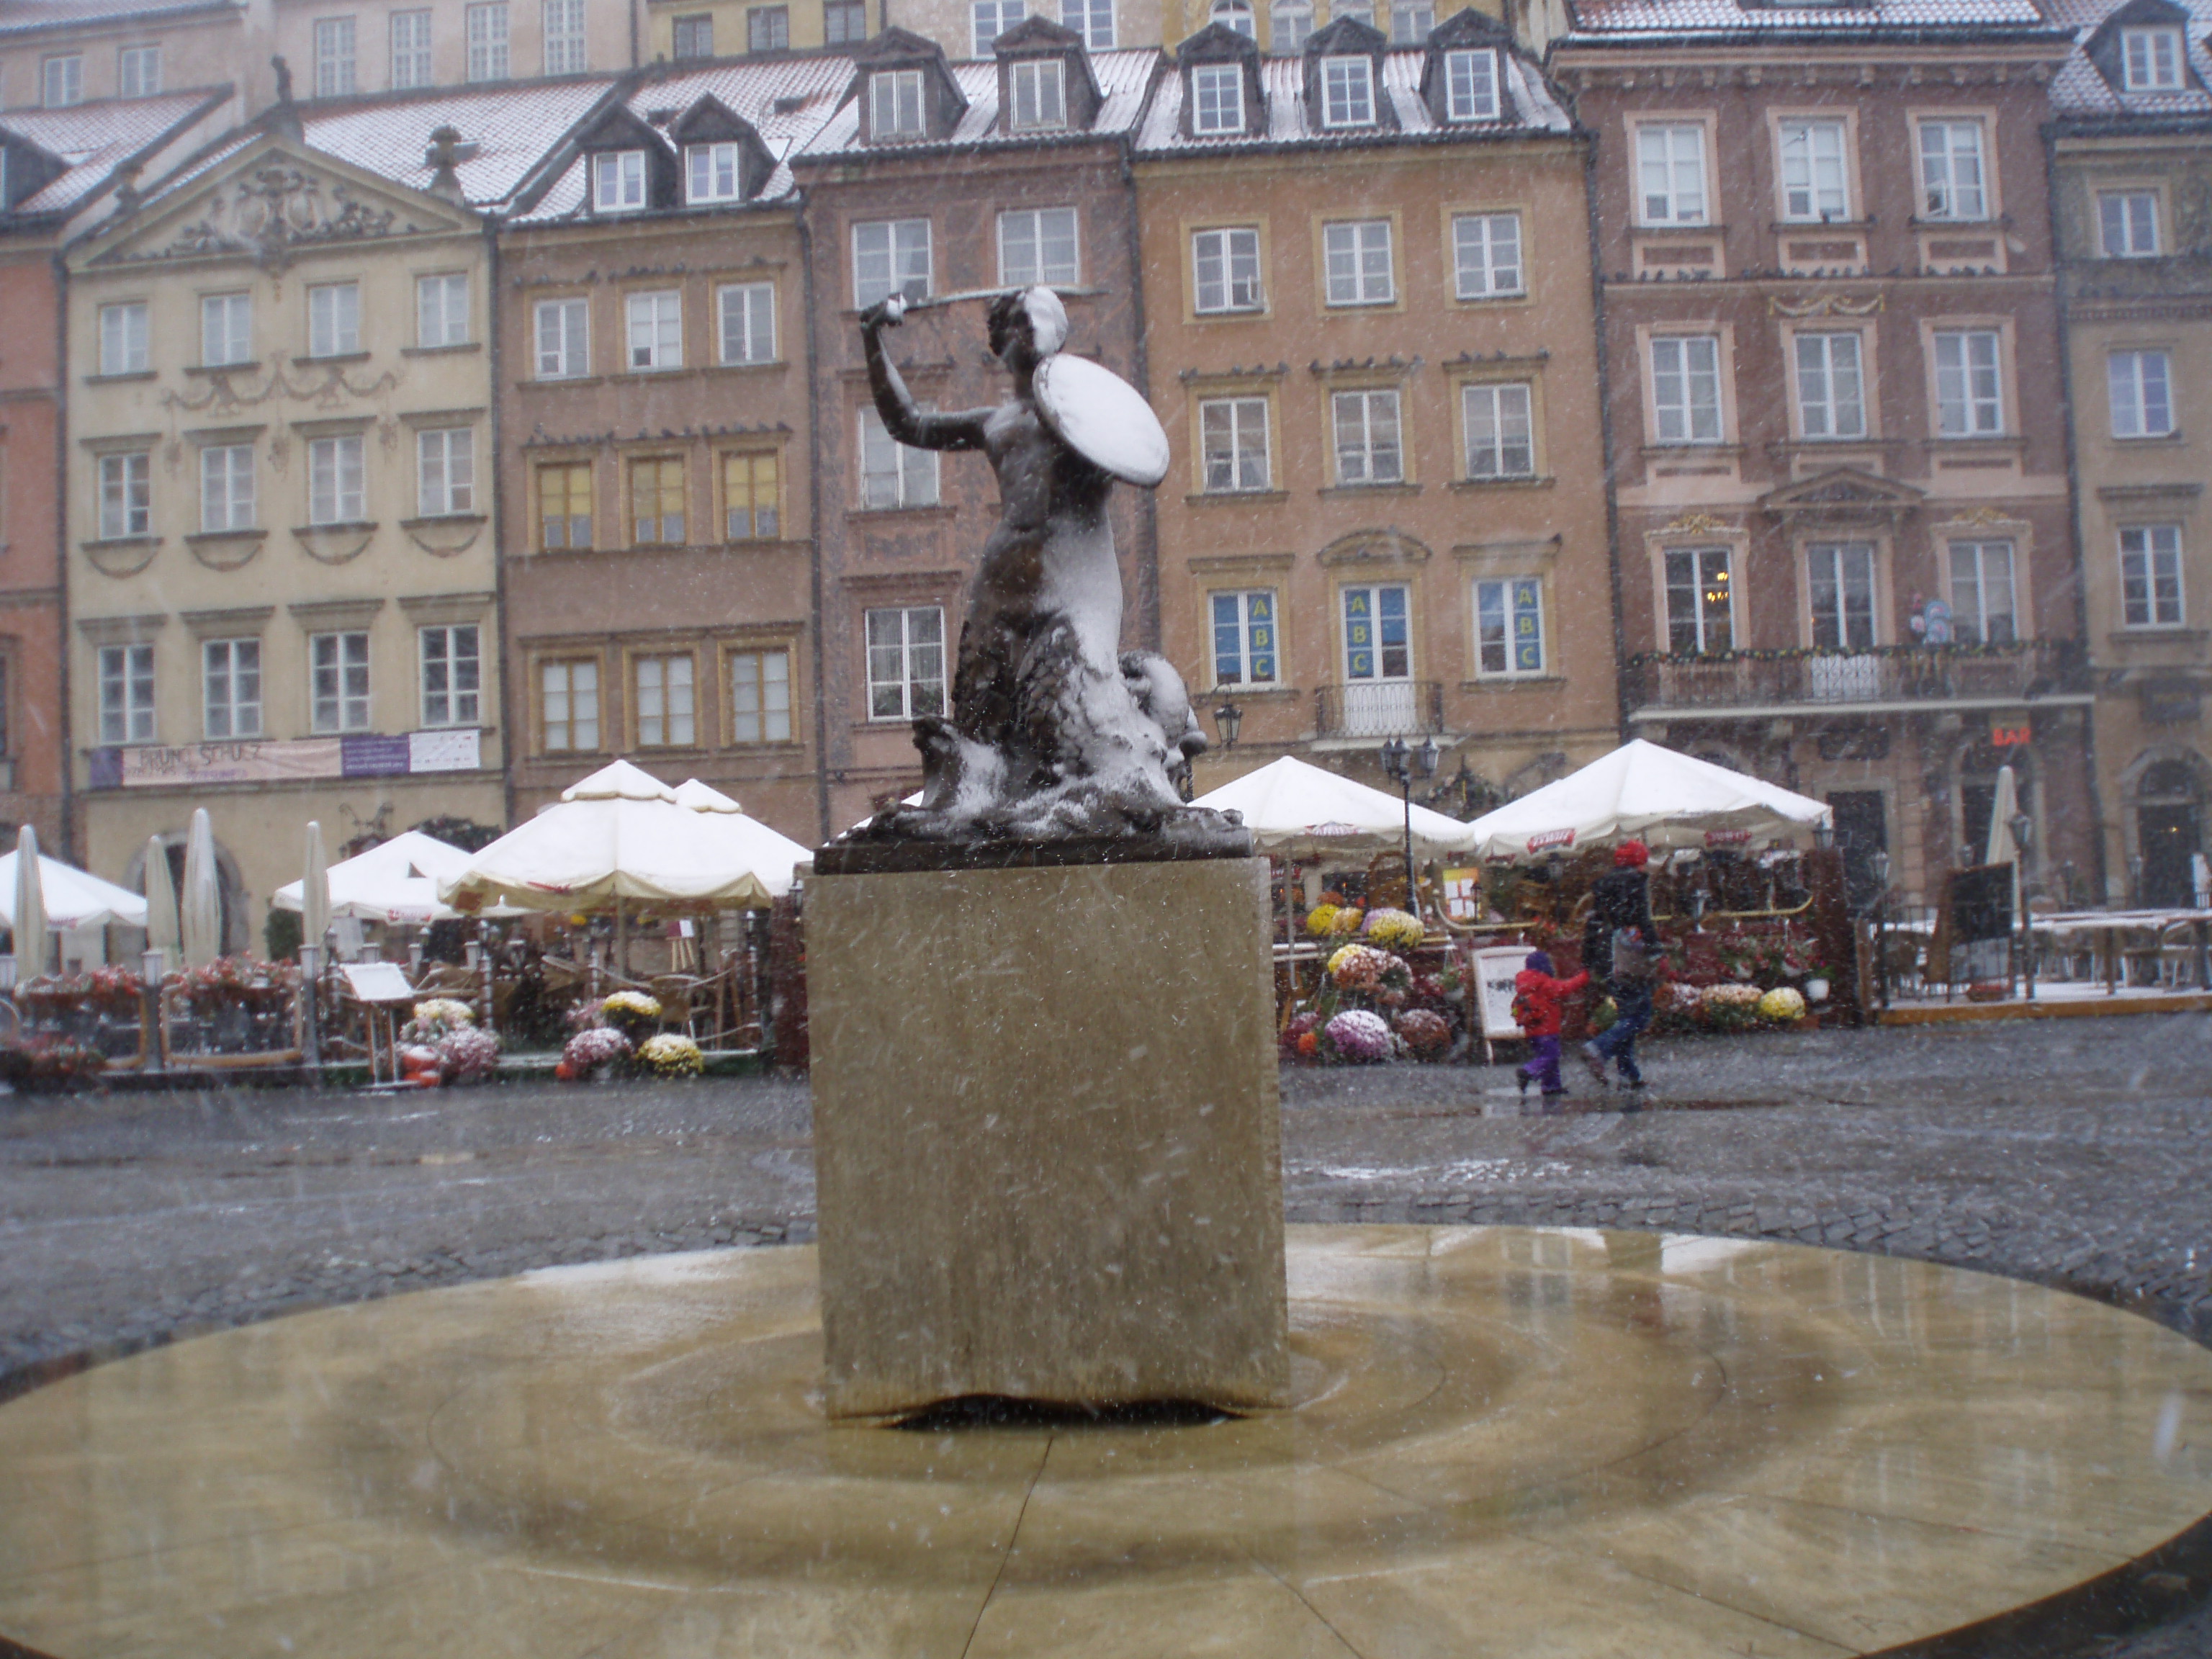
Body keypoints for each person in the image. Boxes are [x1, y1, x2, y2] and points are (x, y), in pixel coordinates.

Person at [1581, 840, 1660, 1096]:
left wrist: (1588, 958)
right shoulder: (1636, 882)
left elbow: (1593, 923)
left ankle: (1628, 1073)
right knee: (1640, 1015)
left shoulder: (1603, 885)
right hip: (1630, 954)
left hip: (1607, 954)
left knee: (1626, 1013)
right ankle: (1599, 1048)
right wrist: (1656, 949)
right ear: (1639, 861)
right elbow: (1643, 920)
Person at [1513, 949, 1588, 1102]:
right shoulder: (1545, 983)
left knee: (1548, 1058)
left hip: (1532, 1030)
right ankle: (1528, 1071)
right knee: (1550, 1056)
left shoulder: (1525, 985)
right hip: (1547, 1029)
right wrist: (1585, 976)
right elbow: (1567, 987)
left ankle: (1551, 1086)